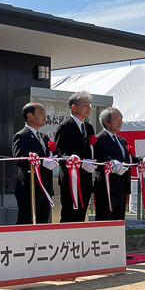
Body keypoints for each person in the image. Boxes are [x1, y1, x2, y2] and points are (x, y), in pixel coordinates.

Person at [94, 108, 145, 221]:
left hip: (122, 186)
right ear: (106, 121)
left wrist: (142, 159)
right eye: (116, 119)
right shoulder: (99, 139)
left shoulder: (121, 140)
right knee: (104, 218)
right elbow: (99, 158)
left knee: (118, 220)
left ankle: (116, 239)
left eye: (121, 119)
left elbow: (128, 159)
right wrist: (112, 163)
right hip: (107, 187)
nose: (120, 122)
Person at [54, 91, 97, 223]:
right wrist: (78, 162)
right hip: (70, 179)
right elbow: (59, 152)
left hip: (86, 178)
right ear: (74, 107)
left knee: (81, 215)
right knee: (69, 215)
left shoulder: (88, 127)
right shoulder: (65, 127)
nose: (88, 108)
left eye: (89, 104)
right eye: (85, 104)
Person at [12, 102, 58, 224]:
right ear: (30, 116)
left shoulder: (43, 137)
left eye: (45, 112)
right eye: (41, 112)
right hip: (30, 188)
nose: (45, 115)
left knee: (42, 224)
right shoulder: (21, 136)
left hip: (45, 188)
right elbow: (20, 159)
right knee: (27, 222)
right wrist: (42, 162)